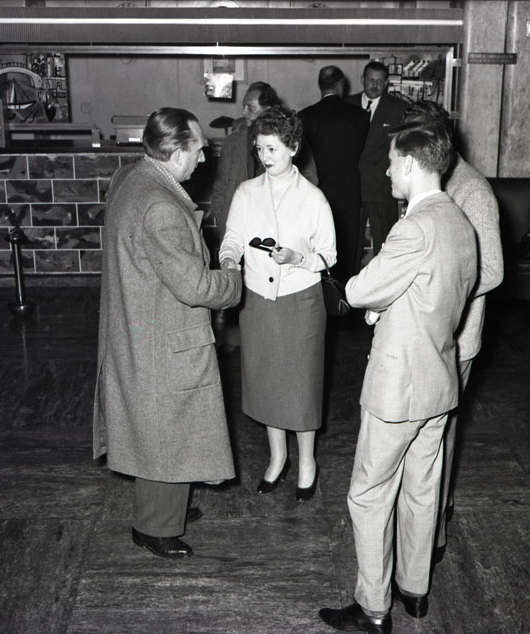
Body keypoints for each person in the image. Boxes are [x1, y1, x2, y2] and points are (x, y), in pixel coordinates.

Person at [319, 121, 477, 634]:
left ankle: (372, 608)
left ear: (409, 163)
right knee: (422, 491)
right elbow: (433, 296)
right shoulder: (460, 222)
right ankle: (414, 590)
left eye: (390, 162)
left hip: (399, 387)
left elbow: (359, 289)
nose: (386, 171)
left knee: (369, 494)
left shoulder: (414, 227)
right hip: (439, 382)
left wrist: (373, 301)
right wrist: (388, 305)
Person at [93, 107, 242, 559]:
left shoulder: (131, 177)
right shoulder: (161, 207)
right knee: (166, 427)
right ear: (176, 153)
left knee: (156, 426)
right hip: (163, 334)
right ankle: (154, 527)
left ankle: (165, 506)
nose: (204, 157)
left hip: (138, 321)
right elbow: (196, 286)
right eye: (199, 149)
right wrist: (235, 279)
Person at [401, 100, 504, 562]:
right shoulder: (430, 179)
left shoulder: (472, 191)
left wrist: (439, 287)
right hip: (423, 336)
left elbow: (493, 270)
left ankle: (433, 533)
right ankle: (418, 527)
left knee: (438, 438)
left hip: (454, 339)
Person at [219, 106, 336, 501]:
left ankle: (307, 462)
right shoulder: (246, 192)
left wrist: (298, 258)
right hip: (258, 300)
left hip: (301, 301)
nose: (264, 156)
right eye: (260, 148)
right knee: (267, 381)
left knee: (301, 386)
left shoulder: (314, 199)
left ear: (293, 148)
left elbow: (329, 256)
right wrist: (229, 260)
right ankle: (278, 457)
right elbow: (233, 238)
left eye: (272, 149)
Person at [298, 65, 370, 284]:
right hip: (348, 195)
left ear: (320, 86)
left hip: (315, 196)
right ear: (341, 84)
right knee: (347, 258)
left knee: (316, 255)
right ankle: (344, 300)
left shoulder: (305, 116)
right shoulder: (359, 116)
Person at [346, 61, 408, 258]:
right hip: (352, 188)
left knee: (385, 244)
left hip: (382, 188)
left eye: (380, 81)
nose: (375, 85)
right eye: (371, 80)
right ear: (362, 79)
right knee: (350, 245)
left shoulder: (399, 109)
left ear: (387, 82)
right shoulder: (347, 104)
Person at [210, 81, 280, 243]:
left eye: (251, 108)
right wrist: (221, 218)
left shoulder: (286, 141)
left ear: (269, 111)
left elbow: (308, 178)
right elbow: (220, 187)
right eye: (244, 106)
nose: (244, 112)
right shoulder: (233, 142)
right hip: (236, 231)